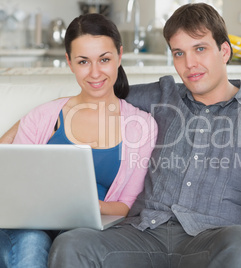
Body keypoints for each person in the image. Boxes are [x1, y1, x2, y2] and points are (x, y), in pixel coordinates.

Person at [1, 3, 241, 268]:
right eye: (178, 53)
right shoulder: (160, 96)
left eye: (200, 49)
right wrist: (30, 125)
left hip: (216, 239)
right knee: (73, 245)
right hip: (144, 237)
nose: (189, 64)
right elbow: (92, 88)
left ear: (225, 51)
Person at [0, 13, 157, 268]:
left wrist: (89, 206)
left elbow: (129, 206)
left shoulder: (141, 127)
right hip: (25, 227)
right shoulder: (42, 117)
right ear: (69, 62)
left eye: (104, 59)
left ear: (119, 55)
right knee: (31, 241)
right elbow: (13, 187)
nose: (95, 73)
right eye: (83, 61)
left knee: (72, 242)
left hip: (86, 230)